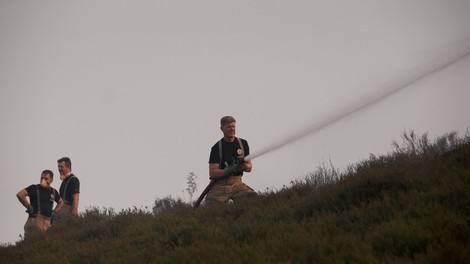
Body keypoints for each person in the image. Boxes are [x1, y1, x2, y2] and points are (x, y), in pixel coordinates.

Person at [205, 116, 257, 205]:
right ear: (222, 129)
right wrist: (228, 170)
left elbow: (249, 167)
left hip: (237, 183)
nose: (232, 129)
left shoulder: (243, 144)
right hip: (220, 185)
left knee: (253, 199)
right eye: (228, 127)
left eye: (233, 126)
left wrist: (244, 166)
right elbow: (212, 172)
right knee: (212, 206)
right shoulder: (217, 148)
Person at [16, 170, 64, 238]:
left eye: (46, 178)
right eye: (41, 178)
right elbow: (20, 194)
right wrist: (28, 206)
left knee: (45, 246)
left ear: (51, 180)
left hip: (48, 223)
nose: (43, 180)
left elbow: (61, 202)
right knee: (32, 245)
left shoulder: (53, 191)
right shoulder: (34, 188)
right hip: (35, 221)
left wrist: (54, 212)